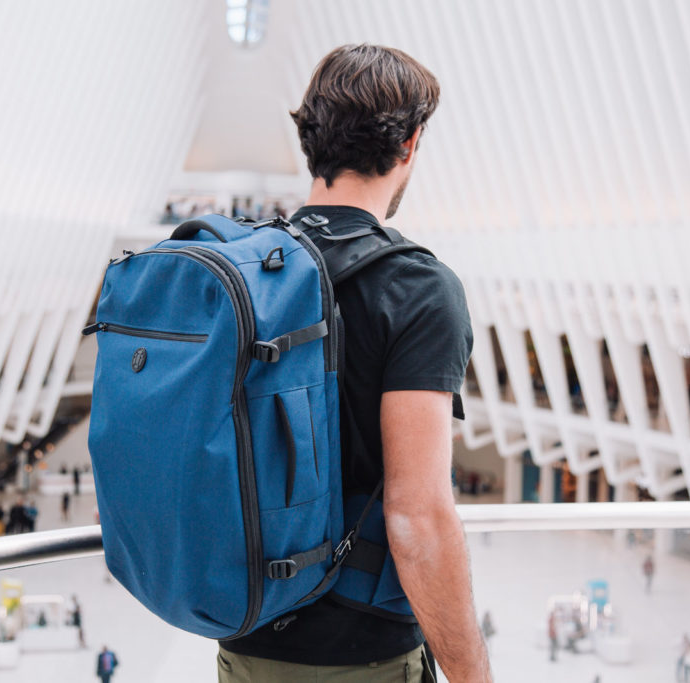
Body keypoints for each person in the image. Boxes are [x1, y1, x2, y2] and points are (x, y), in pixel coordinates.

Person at [217, 44, 488, 682]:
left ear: (310, 139)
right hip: (361, 655)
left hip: (243, 642)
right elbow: (418, 516)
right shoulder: (417, 290)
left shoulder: (246, 272)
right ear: (410, 145)